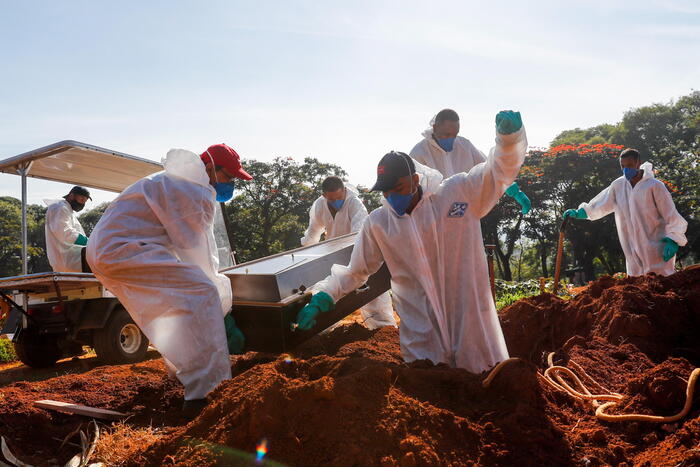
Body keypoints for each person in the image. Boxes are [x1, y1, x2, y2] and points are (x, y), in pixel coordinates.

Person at [295, 110, 527, 373]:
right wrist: (323, 296)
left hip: (470, 323)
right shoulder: (380, 223)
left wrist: (508, 140)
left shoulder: (456, 194)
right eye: (387, 192)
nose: (393, 197)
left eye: (399, 189)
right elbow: (356, 272)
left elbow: (498, 171)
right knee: (429, 393)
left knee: (485, 381)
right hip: (422, 337)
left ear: (416, 180)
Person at [87, 143, 252, 413]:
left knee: (172, 306)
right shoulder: (192, 189)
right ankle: (207, 393)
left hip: (108, 251)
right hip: (125, 250)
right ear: (210, 168)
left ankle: (180, 372)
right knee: (202, 292)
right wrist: (222, 308)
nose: (230, 184)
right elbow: (200, 255)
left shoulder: (172, 181)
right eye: (229, 177)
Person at [563, 148, 687, 276]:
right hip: (632, 251)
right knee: (637, 289)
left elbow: (670, 215)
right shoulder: (618, 185)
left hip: (656, 250)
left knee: (662, 285)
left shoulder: (654, 186)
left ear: (639, 163)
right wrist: (581, 212)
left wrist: (673, 239)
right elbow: (601, 203)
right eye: (623, 166)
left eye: (630, 165)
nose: (626, 170)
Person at [300, 176, 396, 329]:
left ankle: (382, 327)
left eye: (339, 197)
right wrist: (305, 253)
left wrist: (356, 258)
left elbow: (358, 234)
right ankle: (329, 330)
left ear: (344, 190)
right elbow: (313, 231)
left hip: (357, 252)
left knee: (370, 289)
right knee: (329, 289)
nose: (336, 201)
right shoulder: (319, 205)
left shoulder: (355, 204)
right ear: (324, 196)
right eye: (332, 199)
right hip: (332, 254)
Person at [409, 108, 530, 214]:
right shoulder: (419, 152)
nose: (451, 139)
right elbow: (411, 191)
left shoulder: (464, 145)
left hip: (465, 214)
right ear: (435, 127)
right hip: (434, 218)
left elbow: (490, 170)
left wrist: (515, 192)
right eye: (446, 134)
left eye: (454, 135)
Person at [45, 186, 91, 273]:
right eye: (81, 200)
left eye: (84, 202)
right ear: (71, 196)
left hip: (71, 262)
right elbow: (65, 233)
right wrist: (89, 242)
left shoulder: (66, 210)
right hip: (69, 261)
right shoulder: (60, 208)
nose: (82, 204)